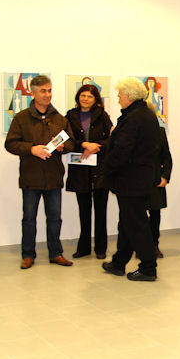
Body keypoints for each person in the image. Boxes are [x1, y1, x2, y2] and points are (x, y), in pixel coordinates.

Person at [4, 75, 74, 269]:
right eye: (43, 91)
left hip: (53, 176)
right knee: (29, 219)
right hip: (31, 177)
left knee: (55, 218)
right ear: (33, 93)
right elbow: (10, 144)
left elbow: (71, 143)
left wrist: (62, 147)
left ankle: (56, 253)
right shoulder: (21, 118)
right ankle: (28, 255)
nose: (47, 95)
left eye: (49, 90)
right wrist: (31, 149)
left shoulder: (60, 119)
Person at [101, 78, 161, 281]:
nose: (118, 99)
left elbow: (122, 150)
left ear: (128, 96)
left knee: (136, 224)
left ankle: (148, 267)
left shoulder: (134, 118)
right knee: (128, 223)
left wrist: (107, 168)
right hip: (139, 179)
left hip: (131, 180)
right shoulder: (146, 115)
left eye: (119, 95)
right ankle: (119, 262)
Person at [65, 84, 112, 259]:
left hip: (100, 169)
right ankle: (83, 248)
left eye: (89, 96)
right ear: (78, 97)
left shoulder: (103, 115)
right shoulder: (70, 116)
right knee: (83, 211)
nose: (85, 99)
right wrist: (83, 145)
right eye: (83, 95)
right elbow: (66, 140)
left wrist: (96, 147)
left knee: (101, 211)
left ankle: (101, 248)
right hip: (80, 169)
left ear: (95, 99)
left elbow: (112, 139)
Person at [148, 110, 172, 258]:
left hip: (156, 180)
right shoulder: (133, 131)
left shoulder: (160, 132)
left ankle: (154, 245)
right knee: (137, 215)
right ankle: (140, 245)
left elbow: (167, 158)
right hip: (137, 180)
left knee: (155, 214)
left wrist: (165, 177)